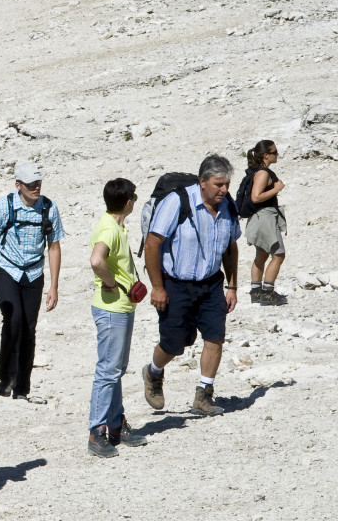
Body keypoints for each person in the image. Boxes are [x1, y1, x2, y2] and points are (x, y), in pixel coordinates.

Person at [142, 155, 241, 417]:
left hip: (211, 283)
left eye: (227, 184)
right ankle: (153, 372)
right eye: (219, 184)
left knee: (215, 336)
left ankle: (204, 393)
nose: (224, 189)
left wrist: (232, 286)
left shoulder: (227, 206)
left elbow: (231, 247)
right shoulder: (178, 202)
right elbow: (152, 243)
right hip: (175, 283)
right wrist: (157, 287)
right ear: (203, 182)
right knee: (175, 343)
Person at [0, 161, 64, 401]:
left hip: (34, 273)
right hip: (7, 268)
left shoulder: (49, 208)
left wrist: (54, 286)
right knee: (13, 319)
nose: (36, 188)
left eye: (38, 183)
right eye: (30, 184)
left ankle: (22, 387)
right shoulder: (2, 207)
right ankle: (6, 377)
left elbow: (54, 246)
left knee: (28, 327)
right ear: (18, 185)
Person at [86, 179, 149, 458]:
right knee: (108, 371)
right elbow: (96, 260)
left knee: (115, 369)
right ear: (128, 202)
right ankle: (97, 430)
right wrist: (111, 284)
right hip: (112, 309)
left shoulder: (114, 225)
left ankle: (116, 424)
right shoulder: (110, 229)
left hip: (120, 308)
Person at [242, 140, 287, 306]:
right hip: (266, 218)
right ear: (266, 155)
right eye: (275, 152)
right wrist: (276, 189)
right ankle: (268, 293)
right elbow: (256, 197)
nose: (278, 154)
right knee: (279, 254)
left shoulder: (257, 172)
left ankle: (256, 291)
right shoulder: (263, 173)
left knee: (262, 254)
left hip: (259, 217)